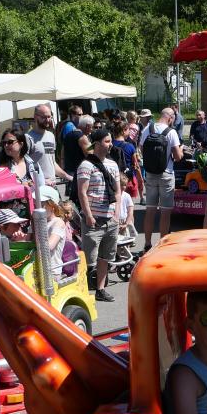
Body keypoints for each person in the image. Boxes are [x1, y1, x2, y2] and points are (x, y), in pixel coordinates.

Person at [77, 128, 121, 303]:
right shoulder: (86, 165)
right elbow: (82, 192)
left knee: (104, 258)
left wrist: (116, 214)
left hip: (111, 220)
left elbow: (118, 191)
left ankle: (100, 290)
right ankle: (81, 291)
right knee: (88, 260)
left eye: (110, 141)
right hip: (93, 220)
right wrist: (88, 216)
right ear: (96, 143)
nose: (110, 145)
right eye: (107, 141)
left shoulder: (113, 165)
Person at [138, 107, 184, 252]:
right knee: (165, 212)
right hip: (166, 174)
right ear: (170, 118)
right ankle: (162, 247)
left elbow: (141, 149)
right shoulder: (171, 132)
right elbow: (177, 157)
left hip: (150, 173)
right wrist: (181, 150)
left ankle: (147, 243)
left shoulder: (148, 129)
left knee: (150, 210)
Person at [26, 104, 71, 188]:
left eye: (49, 117)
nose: (47, 120)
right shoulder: (27, 138)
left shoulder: (51, 136)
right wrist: (41, 180)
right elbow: (24, 166)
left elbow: (52, 163)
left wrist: (67, 176)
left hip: (52, 185)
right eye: (44, 117)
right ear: (35, 117)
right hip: (38, 188)